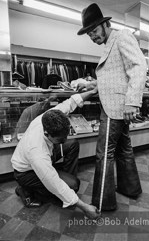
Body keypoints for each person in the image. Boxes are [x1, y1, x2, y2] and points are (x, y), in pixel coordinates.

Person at [77, 3, 147, 210]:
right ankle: (130, 188)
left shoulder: (122, 36)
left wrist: (132, 102)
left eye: (94, 31)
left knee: (104, 153)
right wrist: (93, 84)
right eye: (89, 34)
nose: (92, 36)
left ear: (105, 24)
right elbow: (115, 76)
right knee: (124, 149)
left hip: (116, 107)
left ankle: (103, 202)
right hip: (116, 106)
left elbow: (139, 65)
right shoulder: (110, 43)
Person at [11, 87, 100, 220]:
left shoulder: (52, 115)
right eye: (59, 139)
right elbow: (53, 181)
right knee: (73, 185)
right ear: (47, 133)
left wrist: (93, 91)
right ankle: (25, 190)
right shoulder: (37, 151)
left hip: (42, 155)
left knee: (72, 144)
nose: (63, 140)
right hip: (25, 172)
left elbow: (71, 102)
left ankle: (66, 185)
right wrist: (85, 207)